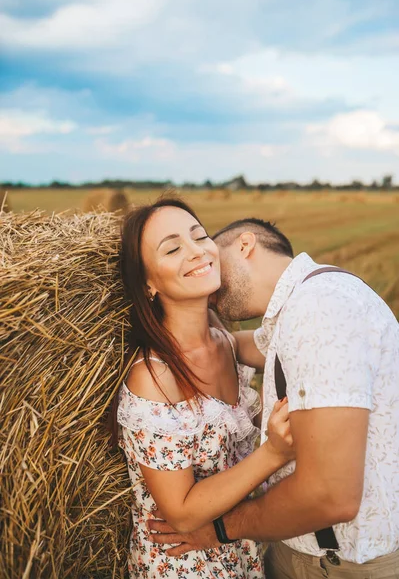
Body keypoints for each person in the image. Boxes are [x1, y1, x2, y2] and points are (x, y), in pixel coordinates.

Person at [149, 218, 399, 579]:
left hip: (337, 566)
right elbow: (248, 345)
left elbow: (331, 496)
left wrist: (221, 529)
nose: (211, 285)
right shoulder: (306, 304)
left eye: (213, 260)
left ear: (245, 245)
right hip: (307, 548)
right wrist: (195, 331)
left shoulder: (319, 309)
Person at [112, 201, 295, 579]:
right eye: (173, 248)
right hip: (184, 565)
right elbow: (181, 512)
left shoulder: (225, 344)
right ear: (148, 283)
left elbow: (291, 343)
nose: (197, 250)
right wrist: (273, 453)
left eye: (200, 236)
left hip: (240, 550)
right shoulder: (153, 376)